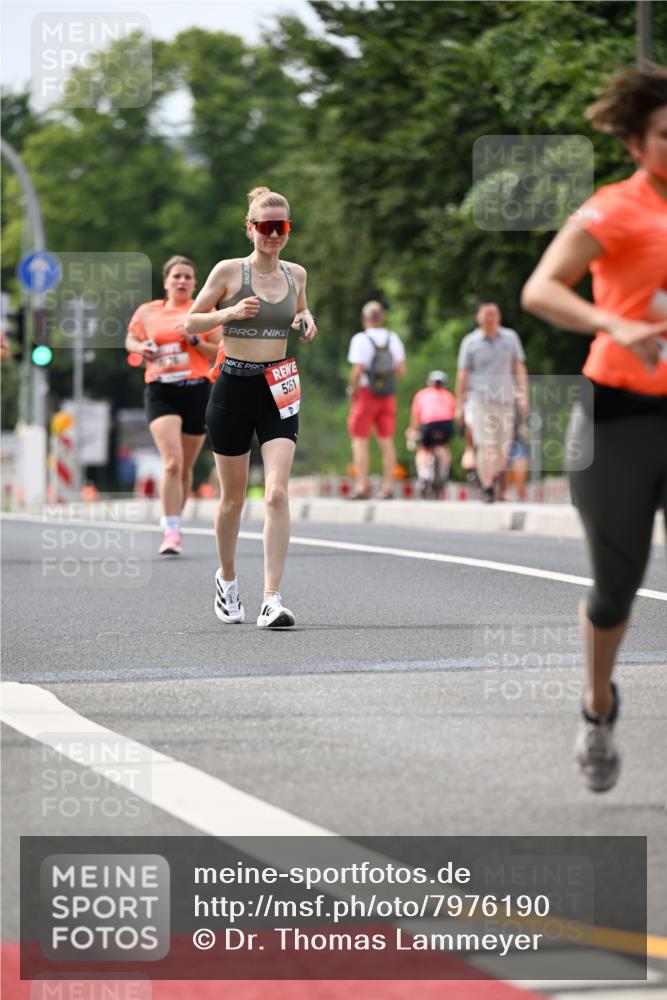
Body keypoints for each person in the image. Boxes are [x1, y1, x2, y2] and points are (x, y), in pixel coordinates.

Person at [521, 66, 667, 792]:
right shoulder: (612, 211)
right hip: (620, 413)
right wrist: (612, 319)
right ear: (637, 143)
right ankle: (598, 704)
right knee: (616, 585)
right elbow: (540, 288)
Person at [186, 186, 317, 628]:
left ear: (288, 229)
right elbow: (190, 321)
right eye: (265, 227)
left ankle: (271, 599)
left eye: (281, 227)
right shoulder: (229, 272)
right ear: (250, 229)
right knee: (233, 500)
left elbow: (298, 309)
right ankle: (226, 580)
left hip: (278, 385)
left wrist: (307, 317)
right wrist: (227, 315)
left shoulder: (297, 274)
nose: (273, 234)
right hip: (232, 387)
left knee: (277, 493)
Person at [125, 256, 222, 555]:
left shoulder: (203, 310)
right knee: (172, 461)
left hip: (196, 389)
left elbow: (219, 350)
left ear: (195, 284)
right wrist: (141, 348)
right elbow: (130, 338)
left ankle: (174, 521)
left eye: (187, 277)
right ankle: (171, 532)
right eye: (176, 276)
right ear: (166, 281)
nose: (181, 281)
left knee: (185, 469)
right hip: (161, 391)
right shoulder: (148, 311)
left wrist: (193, 340)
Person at [455, 302, 528, 503]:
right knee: (486, 443)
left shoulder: (511, 338)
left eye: (494, 314)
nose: (490, 318)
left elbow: (519, 367)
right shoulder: (470, 342)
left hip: (506, 399)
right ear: (478, 317)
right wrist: (459, 403)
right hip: (479, 399)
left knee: (503, 447)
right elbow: (463, 374)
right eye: (486, 314)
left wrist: (524, 395)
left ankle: (491, 476)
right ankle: (487, 486)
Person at [346, 301, 406, 499]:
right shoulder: (393, 338)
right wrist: (384, 381)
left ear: (365, 319)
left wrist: (352, 389)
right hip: (387, 394)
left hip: (365, 393)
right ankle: (388, 487)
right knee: (386, 441)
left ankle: (362, 486)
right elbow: (400, 369)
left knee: (360, 440)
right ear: (382, 318)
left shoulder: (361, 339)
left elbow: (358, 369)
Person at [406, 370, 456, 497]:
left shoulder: (422, 395)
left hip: (429, 424)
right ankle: (444, 474)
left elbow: (415, 417)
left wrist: (413, 430)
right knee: (443, 446)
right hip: (446, 425)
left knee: (423, 449)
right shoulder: (449, 395)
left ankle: (423, 476)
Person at [497, 407, 529, 502]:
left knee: (519, 461)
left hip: (514, 439)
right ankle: (505, 494)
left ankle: (519, 494)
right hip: (502, 439)